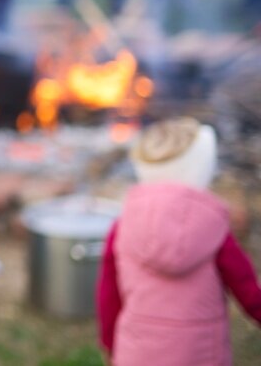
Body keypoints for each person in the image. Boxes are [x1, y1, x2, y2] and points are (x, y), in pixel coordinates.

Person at [97, 117, 261, 366]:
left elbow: (109, 296)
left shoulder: (122, 227)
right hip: (202, 354)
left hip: (137, 353)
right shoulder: (214, 228)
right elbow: (246, 290)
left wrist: (110, 343)